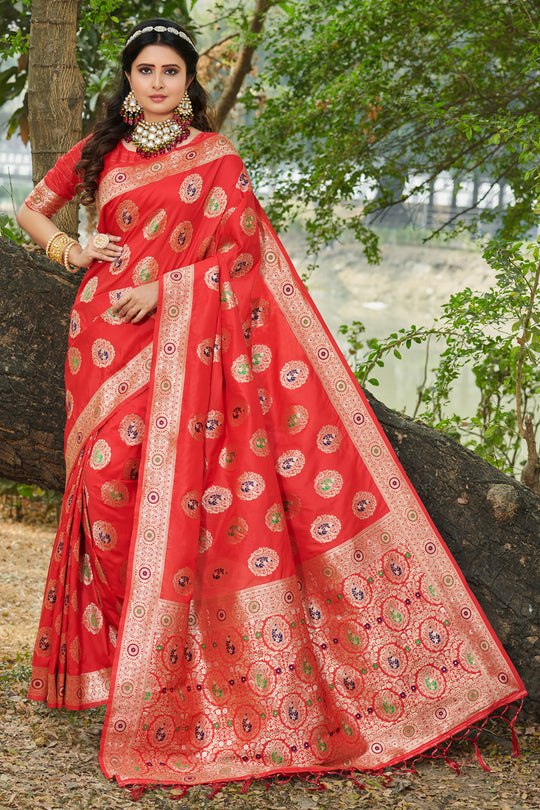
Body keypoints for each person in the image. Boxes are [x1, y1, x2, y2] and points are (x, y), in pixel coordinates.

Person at [17, 18, 525, 790]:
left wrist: (165, 287)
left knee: (176, 498)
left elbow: (246, 259)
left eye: (170, 72)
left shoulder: (218, 160)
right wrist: (72, 250)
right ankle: (128, 667)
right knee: (111, 491)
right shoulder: (103, 154)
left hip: (181, 337)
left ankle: (170, 679)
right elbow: (33, 209)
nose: (156, 83)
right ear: (129, 82)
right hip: (101, 346)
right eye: (144, 71)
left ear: (191, 84)